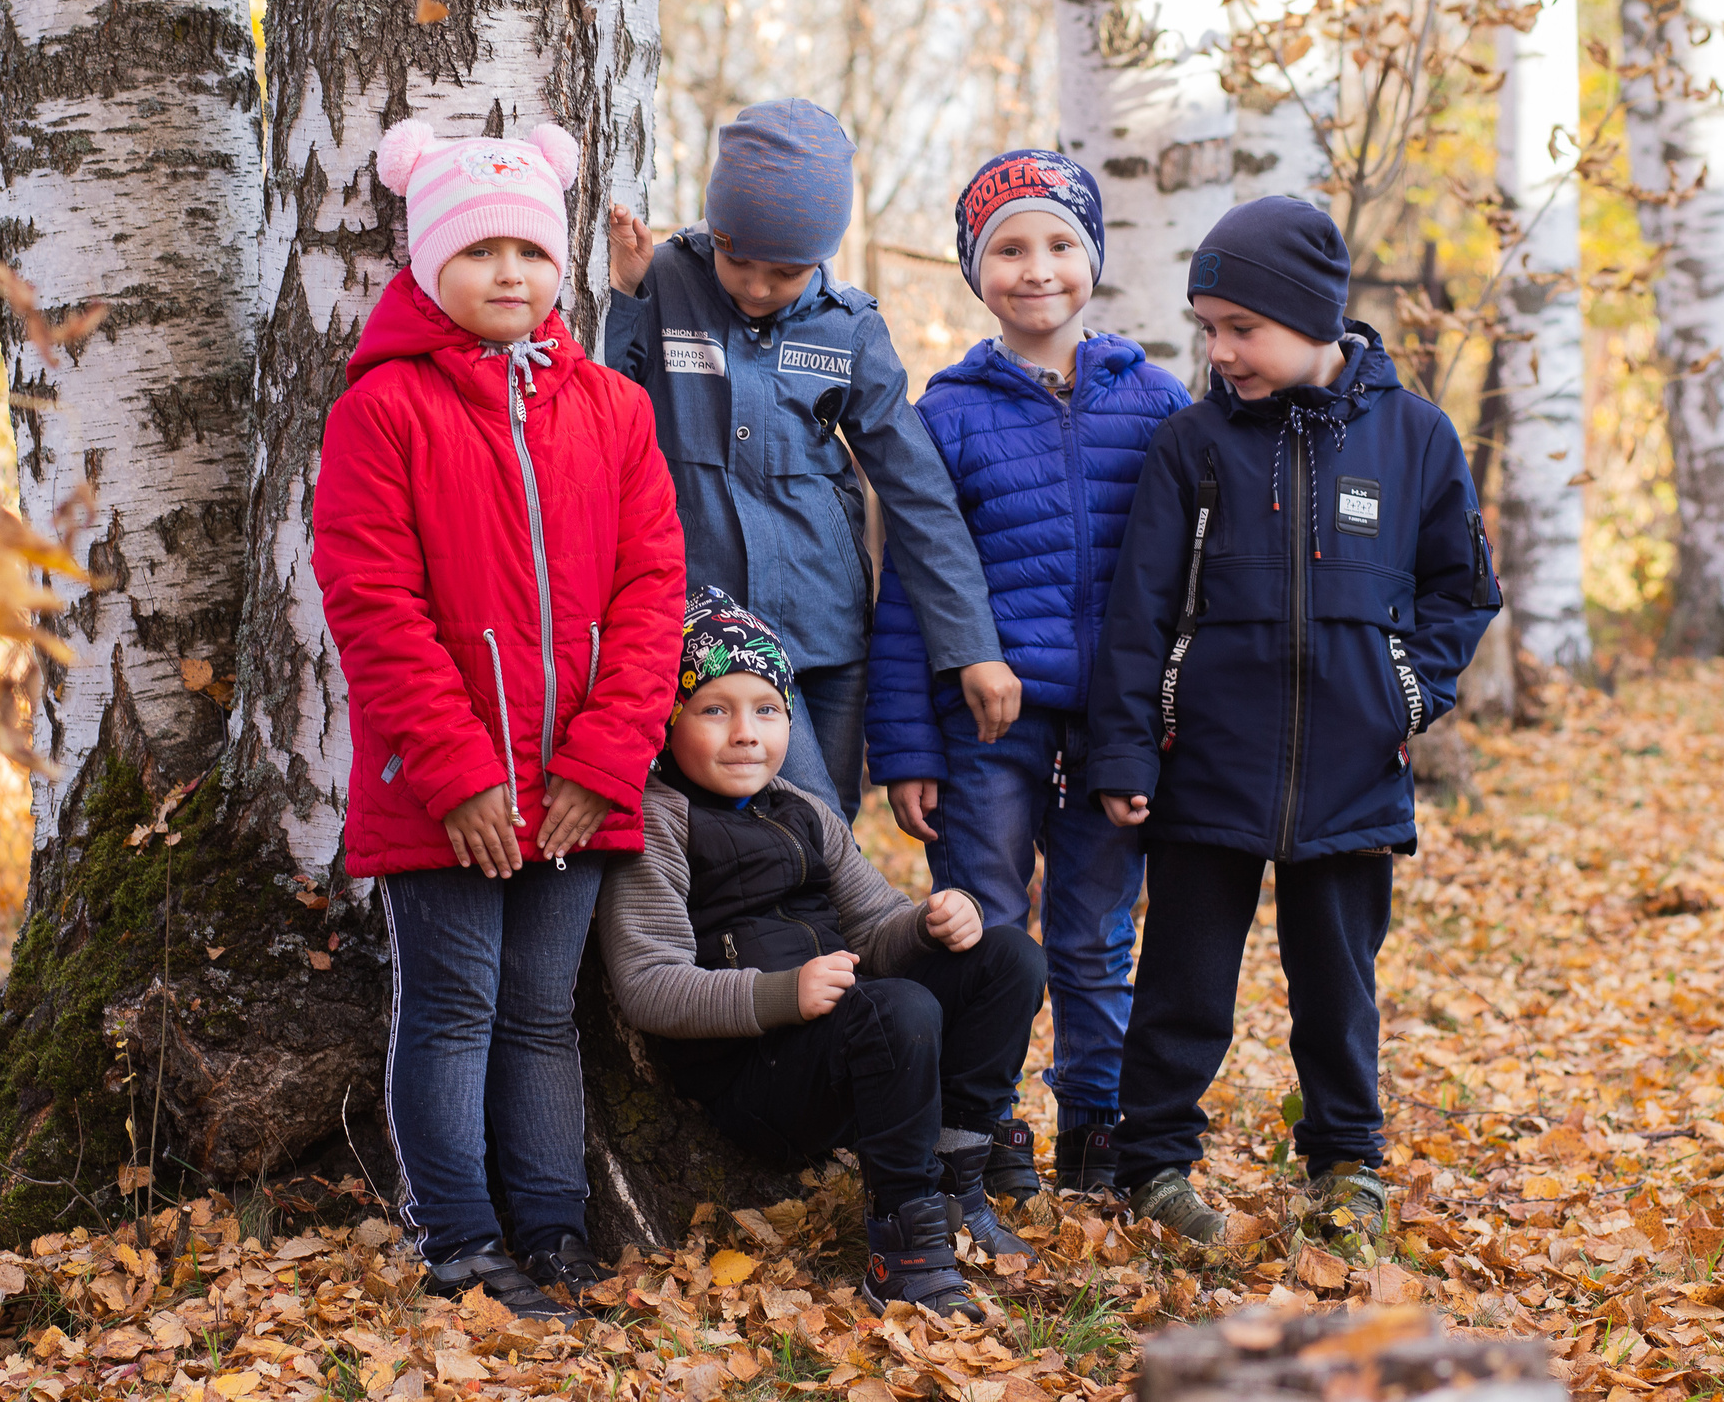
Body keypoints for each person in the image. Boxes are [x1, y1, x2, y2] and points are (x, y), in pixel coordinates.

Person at [311, 118, 684, 1320]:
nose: (509, 272)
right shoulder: (384, 410)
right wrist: (459, 773)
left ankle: (553, 1229)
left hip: (577, 783)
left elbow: (651, 593)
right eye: (479, 250)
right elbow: (371, 601)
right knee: (453, 1009)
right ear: (430, 263)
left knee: (540, 1014)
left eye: (530, 248)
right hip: (444, 789)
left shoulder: (614, 411)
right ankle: (461, 1241)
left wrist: (605, 761)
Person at [1083, 196, 1502, 1250]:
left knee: (1337, 989)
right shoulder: (1194, 445)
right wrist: (1126, 750)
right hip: (1205, 769)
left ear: (1314, 317)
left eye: (1242, 328)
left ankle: (1346, 1166)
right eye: (1208, 329)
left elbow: (1464, 589)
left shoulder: (1415, 437)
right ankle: (1153, 1165)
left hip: (1353, 772)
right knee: (1183, 986)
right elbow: (1139, 615)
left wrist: (1408, 694)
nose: (1221, 352)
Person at [862, 151, 1189, 1200]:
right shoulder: (948, 414)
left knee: (1096, 936)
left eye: (1057, 244)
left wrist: (1171, 718)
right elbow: (911, 587)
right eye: (1007, 249)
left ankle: (1096, 1126)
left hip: (1115, 728)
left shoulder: (1157, 401)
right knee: (986, 924)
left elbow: (1190, 575)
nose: (1035, 268)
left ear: (1093, 259)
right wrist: (907, 749)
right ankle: (985, 1122)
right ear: (976, 271)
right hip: (986, 731)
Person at [597, 590, 1049, 1319]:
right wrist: (782, 993)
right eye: (714, 709)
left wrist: (931, 922)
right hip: (755, 1077)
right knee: (899, 1009)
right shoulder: (658, 819)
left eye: (766, 710)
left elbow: (876, 927)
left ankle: (957, 1180)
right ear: (668, 718)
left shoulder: (804, 809)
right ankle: (903, 1246)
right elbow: (649, 983)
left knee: (1008, 956)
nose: (746, 734)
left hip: (851, 1041)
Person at [604, 98, 1017, 814]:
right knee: (791, 830)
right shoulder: (663, 283)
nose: (757, 286)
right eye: (739, 259)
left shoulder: (849, 327)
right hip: (696, 631)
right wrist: (623, 299)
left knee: (827, 821)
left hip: (823, 635)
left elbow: (917, 492)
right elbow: (598, 412)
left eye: (788, 271)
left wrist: (972, 644)